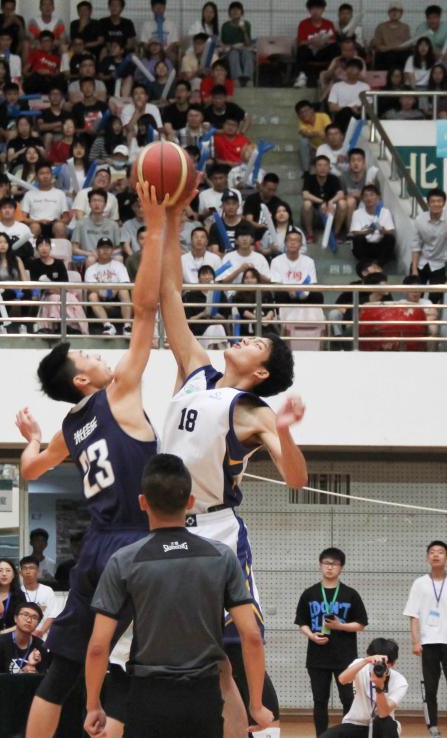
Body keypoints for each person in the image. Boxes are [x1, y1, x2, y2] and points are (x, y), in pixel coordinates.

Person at [16, 181, 169, 738]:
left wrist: (31, 437)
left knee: (63, 670)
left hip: (95, 548)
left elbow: (30, 469)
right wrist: (154, 229)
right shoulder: (118, 393)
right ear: (83, 381)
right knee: (141, 666)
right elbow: (145, 309)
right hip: (140, 543)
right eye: (87, 355)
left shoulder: (69, 427)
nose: (98, 355)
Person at [159, 184, 306, 738]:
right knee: (194, 663)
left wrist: (285, 432)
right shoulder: (195, 367)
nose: (243, 340)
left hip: (217, 532)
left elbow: (296, 480)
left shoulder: (252, 410)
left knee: (239, 649)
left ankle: (265, 725)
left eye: (255, 345)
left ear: (261, 372)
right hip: (165, 528)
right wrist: (169, 221)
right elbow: (169, 293)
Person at [83, 454, 273, 738]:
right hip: (204, 697)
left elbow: (99, 646)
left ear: (142, 502)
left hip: (147, 697)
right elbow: (251, 636)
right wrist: (256, 704)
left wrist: (93, 705)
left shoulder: (124, 560)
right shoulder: (222, 556)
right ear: (190, 502)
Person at [403, 541, 447, 738]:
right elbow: (413, 616)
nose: (436, 555)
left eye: (440, 552)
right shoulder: (419, 583)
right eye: (432, 552)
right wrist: (415, 641)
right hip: (428, 644)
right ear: (427, 558)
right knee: (430, 688)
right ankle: (432, 727)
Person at [295, 547, 368, 737]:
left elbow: (361, 624)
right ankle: (321, 735)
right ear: (320, 565)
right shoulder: (310, 593)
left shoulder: (350, 594)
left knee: (348, 699)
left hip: (345, 657)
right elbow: (302, 622)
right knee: (320, 700)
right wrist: (311, 636)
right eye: (326, 563)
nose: (329, 567)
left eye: (334, 564)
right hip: (317, 657)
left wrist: (339, 626)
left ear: (341, 567)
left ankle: (347, 735)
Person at [318, 638, 408, 738]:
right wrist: (365, 661)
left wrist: (379, 687)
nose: (378, 665)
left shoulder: (399, 681)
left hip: (382, 726)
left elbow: (383, 713)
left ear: (392, 663)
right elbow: (342, 679)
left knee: (386, 722)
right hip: (356, 723)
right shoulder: (361, 664)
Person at [410, 188, 447, 287]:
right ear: (428, 203)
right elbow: (415, 245)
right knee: (415, 292)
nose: (436, 204)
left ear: (444, 203)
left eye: (439, 201)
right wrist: (414, 270)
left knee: (436, 295)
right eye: (433, 201)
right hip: (421, 262)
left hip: (439, 263)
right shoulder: (420, 220)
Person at [0, 602, 50, 674]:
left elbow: (44, 676)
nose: (29, 620)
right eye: (25, 615)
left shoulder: (41, 646)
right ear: (15, 618)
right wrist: (22, 673)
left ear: (38, 624)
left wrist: (34, 672)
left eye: (34, 617)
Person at [294, 0, 338, 89]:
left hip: (323, 52)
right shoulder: (303, 24)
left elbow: (333, 40)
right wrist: (311, 41)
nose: (315, 11)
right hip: (310, 52)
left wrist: (324, 42)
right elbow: (300, 42)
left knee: (335, 48)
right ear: (309, 10)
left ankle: (329, 76)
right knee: (302, 49)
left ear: (323, 10)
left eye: (318, 8)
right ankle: (303, 77)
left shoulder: (328, 24)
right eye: (313, 9)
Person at [348, 185, 395, 266]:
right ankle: (365, 264)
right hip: (365, 246)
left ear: (378, 197)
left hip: (379, 246)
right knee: (358, 239)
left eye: (372, 195)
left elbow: (390, 232)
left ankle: (380, 264)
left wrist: (383, 231)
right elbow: (355, 232)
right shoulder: (357, 213)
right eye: (366, 196)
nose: (369, 198)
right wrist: (366, 232)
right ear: (362, 199)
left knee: (390, 238)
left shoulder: (385, 212)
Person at [19, 556, 55, 636]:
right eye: (25, 568)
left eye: (31, 568)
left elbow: (52, 615)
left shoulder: (48, 591)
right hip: (22, 636)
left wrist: (41, 632)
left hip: (43, 636)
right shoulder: (18, 592)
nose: (28, 571)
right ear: (20, 573)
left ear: (38, 571)